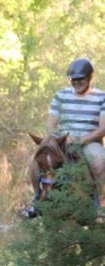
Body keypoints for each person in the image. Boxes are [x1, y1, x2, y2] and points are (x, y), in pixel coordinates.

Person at [44, 56, 105, 214]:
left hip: (90, 141)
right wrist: (59, 138)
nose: (77, 83)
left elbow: (102, 129)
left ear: (90, 77)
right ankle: (39, 200)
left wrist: (80, 140)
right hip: (63, 140)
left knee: (99, 162)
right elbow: (51, 124)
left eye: (81, 79)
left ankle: (101, 204)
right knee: (41, 159)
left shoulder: (101, 97)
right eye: (73, 80)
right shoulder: (60, 96)